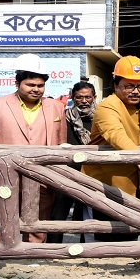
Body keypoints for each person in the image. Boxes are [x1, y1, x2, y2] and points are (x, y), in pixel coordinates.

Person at [81, 55, 140, 242]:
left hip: (136, 183)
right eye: (129, 86)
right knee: (104, 235)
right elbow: (115, 135)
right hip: (105, 183)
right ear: (115, 86)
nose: (135, 91)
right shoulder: (107, 107)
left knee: (132, 233)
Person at [0, 53, 67, 243]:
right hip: (4, 177)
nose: (36, 89)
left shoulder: (56, 108)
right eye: (30, 85)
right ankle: (1, 260)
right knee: (2, 222)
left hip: (42, 178)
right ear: (17, 83)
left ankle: (32, 259)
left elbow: (61, 143)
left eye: (40, 86)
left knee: (37, 224)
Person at [48, 81, 97, 243]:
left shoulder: (102, 118)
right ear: (72, 98)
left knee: (88, 214)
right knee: (58, 214)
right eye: (79, 97)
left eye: (87, 97)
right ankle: (53, 249)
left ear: (94, 98)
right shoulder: (63, 118)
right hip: (66, 173)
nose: (84, 101)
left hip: (93, 174)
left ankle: (86, 249)